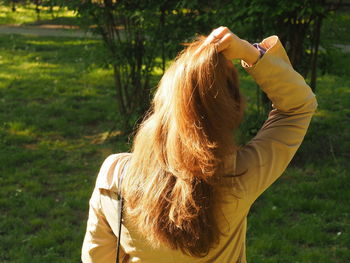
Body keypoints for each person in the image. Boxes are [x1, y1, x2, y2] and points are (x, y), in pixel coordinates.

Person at [81, 27, 317, 263]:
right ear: (232, 108)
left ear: (162, 99)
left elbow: (97, 257)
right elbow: (297, 107)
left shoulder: (115, 176)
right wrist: (250, 53)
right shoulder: (240, 176)